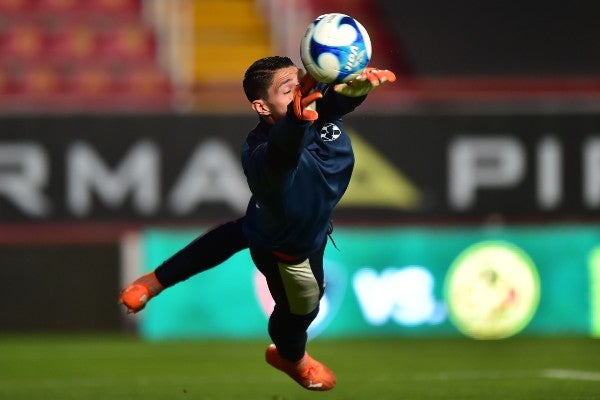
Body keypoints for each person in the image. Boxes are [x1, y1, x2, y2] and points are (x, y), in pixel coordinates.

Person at [119, 56, 395, 391]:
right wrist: (296, 120)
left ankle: (152, 282)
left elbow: (336, 100)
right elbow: (284, 153)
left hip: (280, 220)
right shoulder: (260, 151)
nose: (301, 92)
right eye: (287, 90)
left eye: (300, 82)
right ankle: (292, 359)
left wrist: (357, 92)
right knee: (302, 311)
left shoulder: (313, 103)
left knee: (237, 231)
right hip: (289, 251)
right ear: (262, 107)